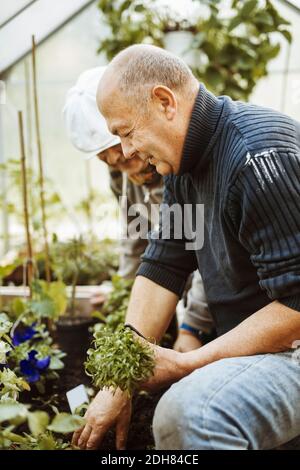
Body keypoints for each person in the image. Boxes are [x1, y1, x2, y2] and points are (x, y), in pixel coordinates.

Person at [72, 44, 300, 451]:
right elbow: (164, 264)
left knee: (188, 415)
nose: (125, 152)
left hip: (293, 345)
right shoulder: (185, 167)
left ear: (164, 102)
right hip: (259, 344)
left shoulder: (258, 157)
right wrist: (119, 381)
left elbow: (298, 306)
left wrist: (186, 362)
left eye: (126, 132)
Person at [63, 66, 212, 353]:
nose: (119, 158)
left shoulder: (179, 168)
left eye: (117, 145)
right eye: (104, 156)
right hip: (171, 283)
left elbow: (209, 256)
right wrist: (123, 291)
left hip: (212, 293)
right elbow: (135, 236)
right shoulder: (122, 176)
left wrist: (194, 325)